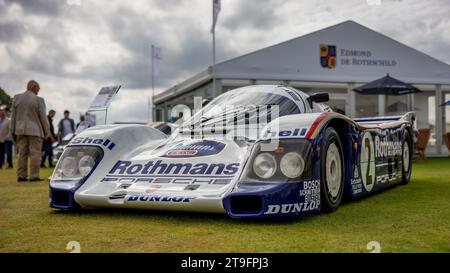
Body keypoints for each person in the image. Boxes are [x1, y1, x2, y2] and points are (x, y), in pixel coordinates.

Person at [10, 80, 51, 182]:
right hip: (35, 130)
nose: (38, 91)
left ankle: (21, 176)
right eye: (38, 89)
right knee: (35, 153)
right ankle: (34, 175)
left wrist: (12, 130)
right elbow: (43, 118)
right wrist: (48, 132)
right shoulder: (38, 100)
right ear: (33, 87)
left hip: (20, 130)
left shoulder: (16, 98)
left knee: (22, 153)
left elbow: (13, 116)